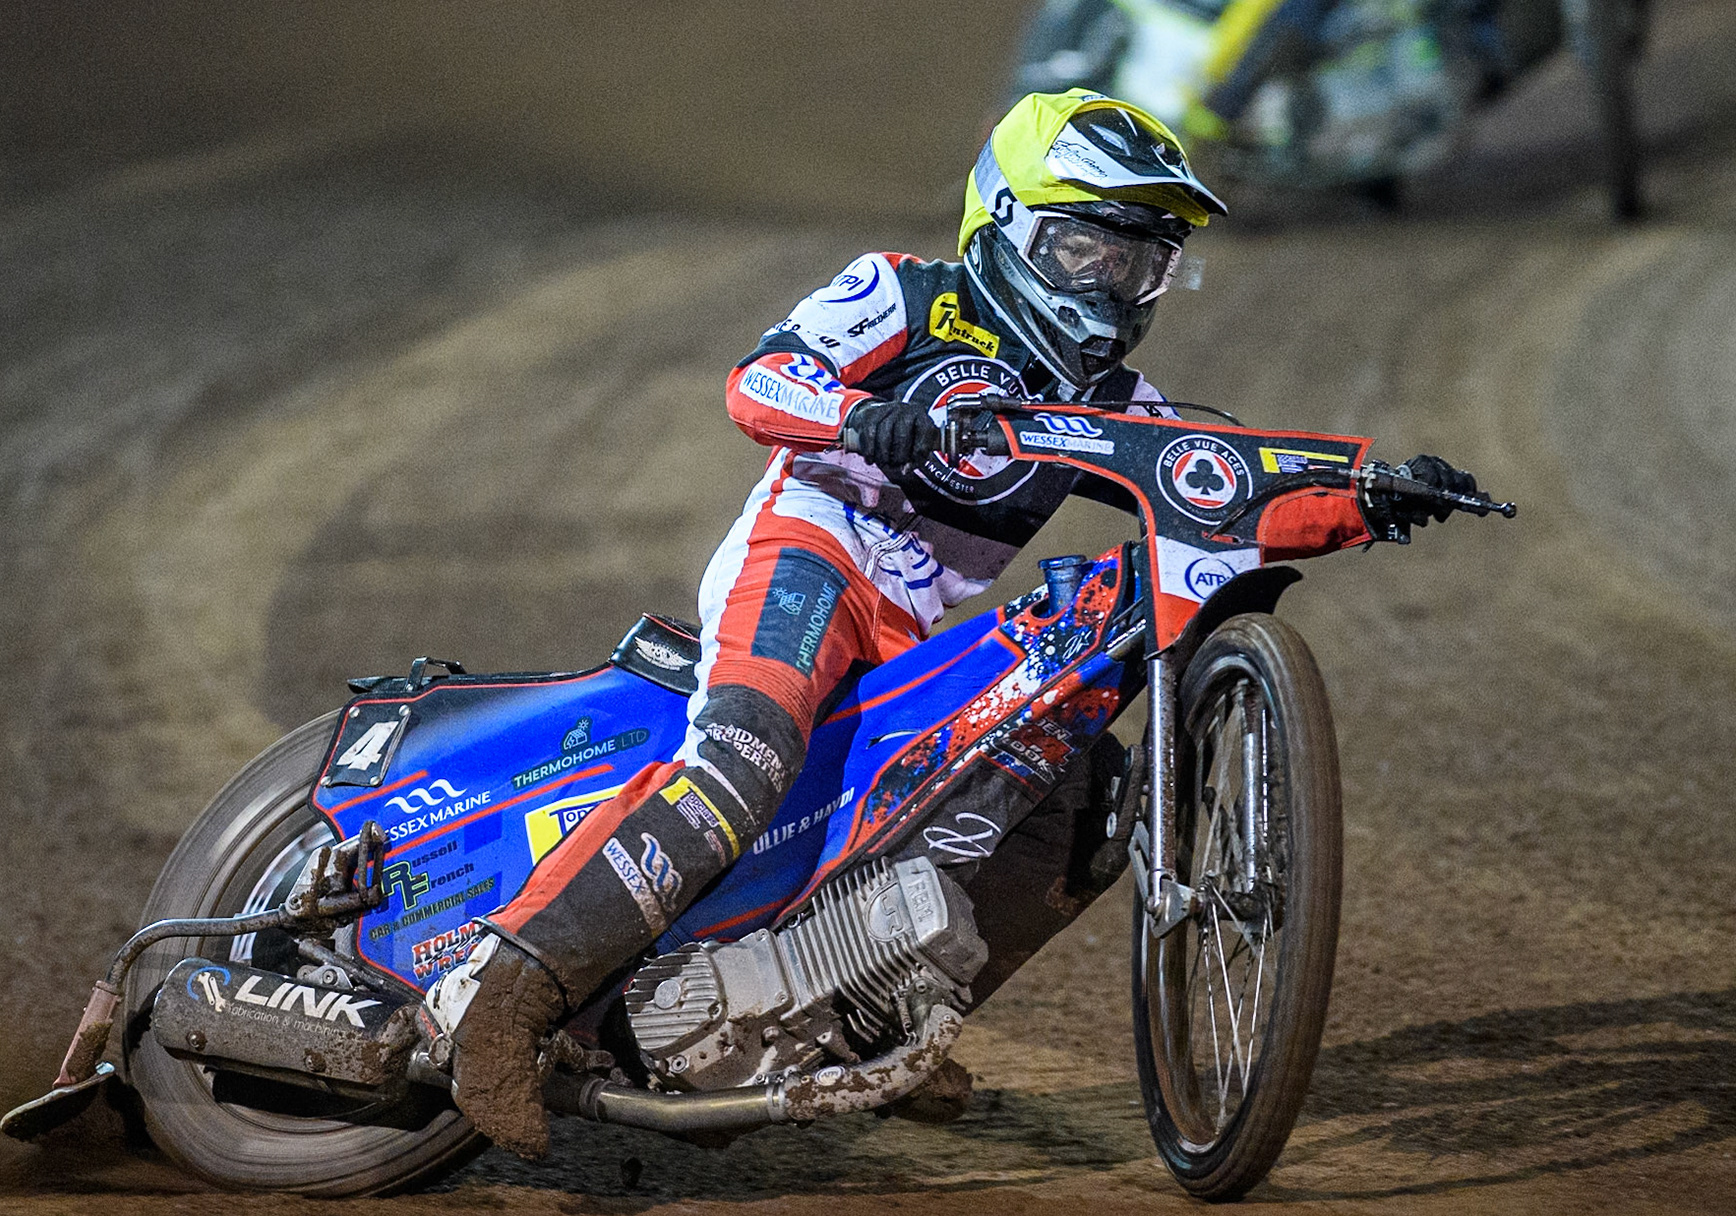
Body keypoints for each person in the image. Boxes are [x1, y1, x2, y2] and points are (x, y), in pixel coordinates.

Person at [421, 90, 1478, 1159]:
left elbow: (1223, 484)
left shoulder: (1119, 400)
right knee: (744, 755)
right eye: (1084, 249)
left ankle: (863, 1023)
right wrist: (854, 414)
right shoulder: (902, 294)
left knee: (1081, 805)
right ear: (1009, 224)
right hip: (811, 554)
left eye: (1136, 262)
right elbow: (757, 381)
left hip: (913, 628)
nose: (1109, 285)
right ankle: (502, 1006)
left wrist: (1370, 497)